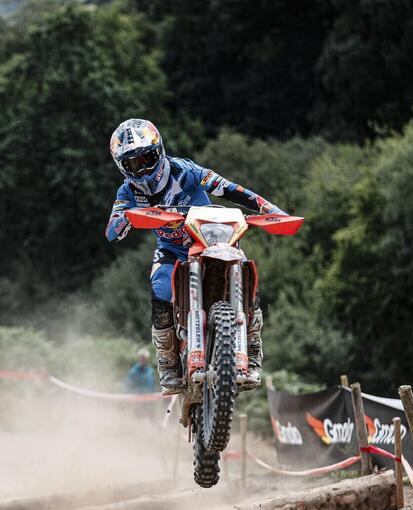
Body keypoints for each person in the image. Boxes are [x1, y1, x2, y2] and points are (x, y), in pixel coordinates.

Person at [105, 118, 286, 395]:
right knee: (160, 288)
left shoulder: (185, 171)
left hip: (213, 239)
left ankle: (252, 355)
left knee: (246, 273)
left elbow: (227, 187)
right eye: (132, 164)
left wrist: (265, 206)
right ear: (122, 167)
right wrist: (125, 218)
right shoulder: (127, 191)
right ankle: (167, 364)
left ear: (159, 151)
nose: (141, 169)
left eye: (146, 159)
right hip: (171, 250)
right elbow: (112, 231)